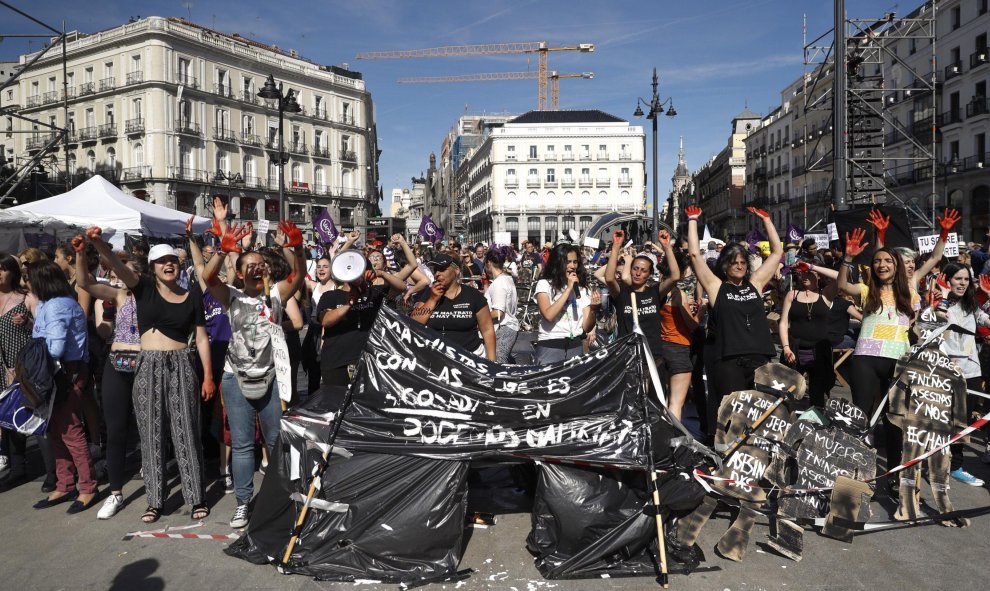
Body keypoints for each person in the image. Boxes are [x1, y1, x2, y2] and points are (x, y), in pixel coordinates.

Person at [86, 227, 215, 523]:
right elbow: (118, 266)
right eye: (162, 261)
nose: (168, 264)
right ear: (154, 268)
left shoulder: (192, 294)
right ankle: (155, 501)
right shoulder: (142, 288)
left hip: (182, 362)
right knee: (151, 432)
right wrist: (97, 244)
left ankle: (197, 496)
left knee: (185, 431)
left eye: (173, 260)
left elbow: (202, 337)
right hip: (147, 364)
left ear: (178, 265)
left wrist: (207, 375)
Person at [201, 220, 304, 528]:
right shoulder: (231, 296)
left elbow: (297, 276)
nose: (257, 269)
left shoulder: (275, 296)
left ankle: (277, 498)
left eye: (261, 265)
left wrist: (295, 249)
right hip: (236, 378)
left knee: (274, 441)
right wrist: (223, 251)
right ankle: (244, 502)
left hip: (271, 377)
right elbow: (208, 278)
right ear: (241, 270)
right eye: (251, 265)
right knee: (244, 445)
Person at [686, 205, 782, 434]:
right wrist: (692, 220)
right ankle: (728, 457)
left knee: (759, 413)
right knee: (733, 415)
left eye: (742, 262)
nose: (738, 266)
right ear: (725, 266)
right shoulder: (716, 287)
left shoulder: (756, 283)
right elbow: (694, 255)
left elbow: (777, 253)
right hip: (729, 360)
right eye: (733, 262)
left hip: (759, 355)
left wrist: (767, 220)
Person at [838, 228, 919, 479]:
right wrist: (848, 258)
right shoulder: (865, 290)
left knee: (894, 421)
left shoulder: (911, 295)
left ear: (897, 265)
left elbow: (914, 330)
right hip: (866, 360)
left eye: (887, 261)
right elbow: (841, 285)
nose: (882, 264)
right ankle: (858, 473)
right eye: (877, 261)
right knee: (861, 417)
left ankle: (893, 475)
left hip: (898, 362)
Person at [74, 247, 146, 519]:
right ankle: (115, 492)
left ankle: (154, 480)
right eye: (120, 272)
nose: (123, 277)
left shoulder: (151, 295)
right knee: (116, 430)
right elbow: (84, 283)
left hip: (145, 365)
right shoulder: (118, 295)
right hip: (116, 364)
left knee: (148, 426)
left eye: (131, 271)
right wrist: (80, 255)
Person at [26, 260, 98, 514]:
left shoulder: (57, 306)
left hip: (65, 372)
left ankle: (87, 486)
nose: (27, 284)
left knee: (70, 431)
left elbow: (55, 347)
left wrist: (35, 345)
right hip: (59, 372)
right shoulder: (53, 303)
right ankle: (66, 482)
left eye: (30, 279)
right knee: (56, 430)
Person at [317, 242, 417, 388]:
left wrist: (381, 273)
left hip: (369, 360)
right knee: (336, 404)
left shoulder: (375, 292)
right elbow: (326, 320)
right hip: (335, 361)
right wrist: (349, 304)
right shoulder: (331, 296)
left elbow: (401, 287)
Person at [604, 229, 682, 412]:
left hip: (652, 356)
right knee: (628, 402)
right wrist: (616, 246)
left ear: (649, 274)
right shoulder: (622, 293)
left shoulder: (655, 293)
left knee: (655, 402)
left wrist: (666, 247)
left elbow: (675, 276)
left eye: (643, 270)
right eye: (635, 269)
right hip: (627, 354)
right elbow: (608, 278)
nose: (638, 273)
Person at [927, 264, 990, 486]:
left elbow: (986, 320)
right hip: (945, 370)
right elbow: (937, 321)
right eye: (957, 278)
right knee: (941, 419)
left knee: (962, 422)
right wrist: (943, 296)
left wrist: (989, 297)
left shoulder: (971, 305)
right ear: (947, 279)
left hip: (971, 372)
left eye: (966, 279)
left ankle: (956, 466)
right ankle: (936, 463)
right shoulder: (937, 300)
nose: (962, 283)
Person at [410, 254, 496, 360]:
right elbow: (414, 323)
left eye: (442, 269)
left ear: (457, 270)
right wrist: (432, 300)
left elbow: (487, 330)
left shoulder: (473, 295)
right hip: (438, 358)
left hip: (471, 359)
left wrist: (492, 363)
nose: (437, 274)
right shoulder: (429, 293)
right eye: (435, 270)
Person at [532, 243, 601, 364]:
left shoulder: (582, 289)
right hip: (551, 345)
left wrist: (594, 310)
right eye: (568, 262)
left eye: (575, 262)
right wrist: (568, 289)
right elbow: (548, 315)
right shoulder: (545, 284)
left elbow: (586, 326)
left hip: (575, 346)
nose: (572, 266)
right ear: (558, 263)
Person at [778, 262, 834, 408]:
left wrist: (812, 267)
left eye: (808, 273)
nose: (805, 276)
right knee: (788, 391)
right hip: (795, 349)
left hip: (819, 351)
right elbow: (783, 323)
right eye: (802, 273)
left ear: (818, 275)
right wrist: (786, 348)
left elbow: (841, 277)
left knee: (817, 392)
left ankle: (816, 424)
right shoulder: (793, 294)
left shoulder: (826, 294)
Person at [0, 253, 34, 485]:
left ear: (12, 272)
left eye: (2, 269)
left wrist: (28, 322)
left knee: (18, 414)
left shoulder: (25, 297)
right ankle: (13, 464)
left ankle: (19, 467)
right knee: (2, 417)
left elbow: (41, 328)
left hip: (19, 364)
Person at [483, 246, 519, 363]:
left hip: (502, 328)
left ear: (489, 263)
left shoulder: (499, 283)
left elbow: (498, 312)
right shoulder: (507, 279)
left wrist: (479, 317)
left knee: (497, 363)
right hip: (508, 327)